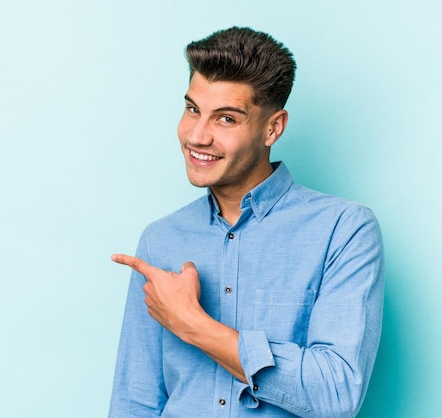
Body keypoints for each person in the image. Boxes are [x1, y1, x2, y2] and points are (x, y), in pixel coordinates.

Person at [109, 27, 384, 418]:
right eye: (192, 110)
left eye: (225, 119)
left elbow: (336, 393)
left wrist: (192, 324)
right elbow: (134, 401)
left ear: (273, 128)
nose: (197, 136)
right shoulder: (161, 239)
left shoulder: (344, 230)